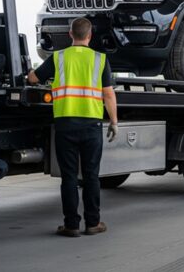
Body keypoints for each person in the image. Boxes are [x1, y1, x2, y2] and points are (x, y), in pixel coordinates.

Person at [28, 17, 119, 238]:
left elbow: (32, 78)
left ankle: (71, 225)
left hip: (65, 125)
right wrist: (114, 121)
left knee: (69, 177)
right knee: (91, 176)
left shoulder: (58, 57)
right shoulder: (100, 59)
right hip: (91, 125)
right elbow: (108, 93)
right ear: (90, 36)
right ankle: (93, 223)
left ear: (70, 34)